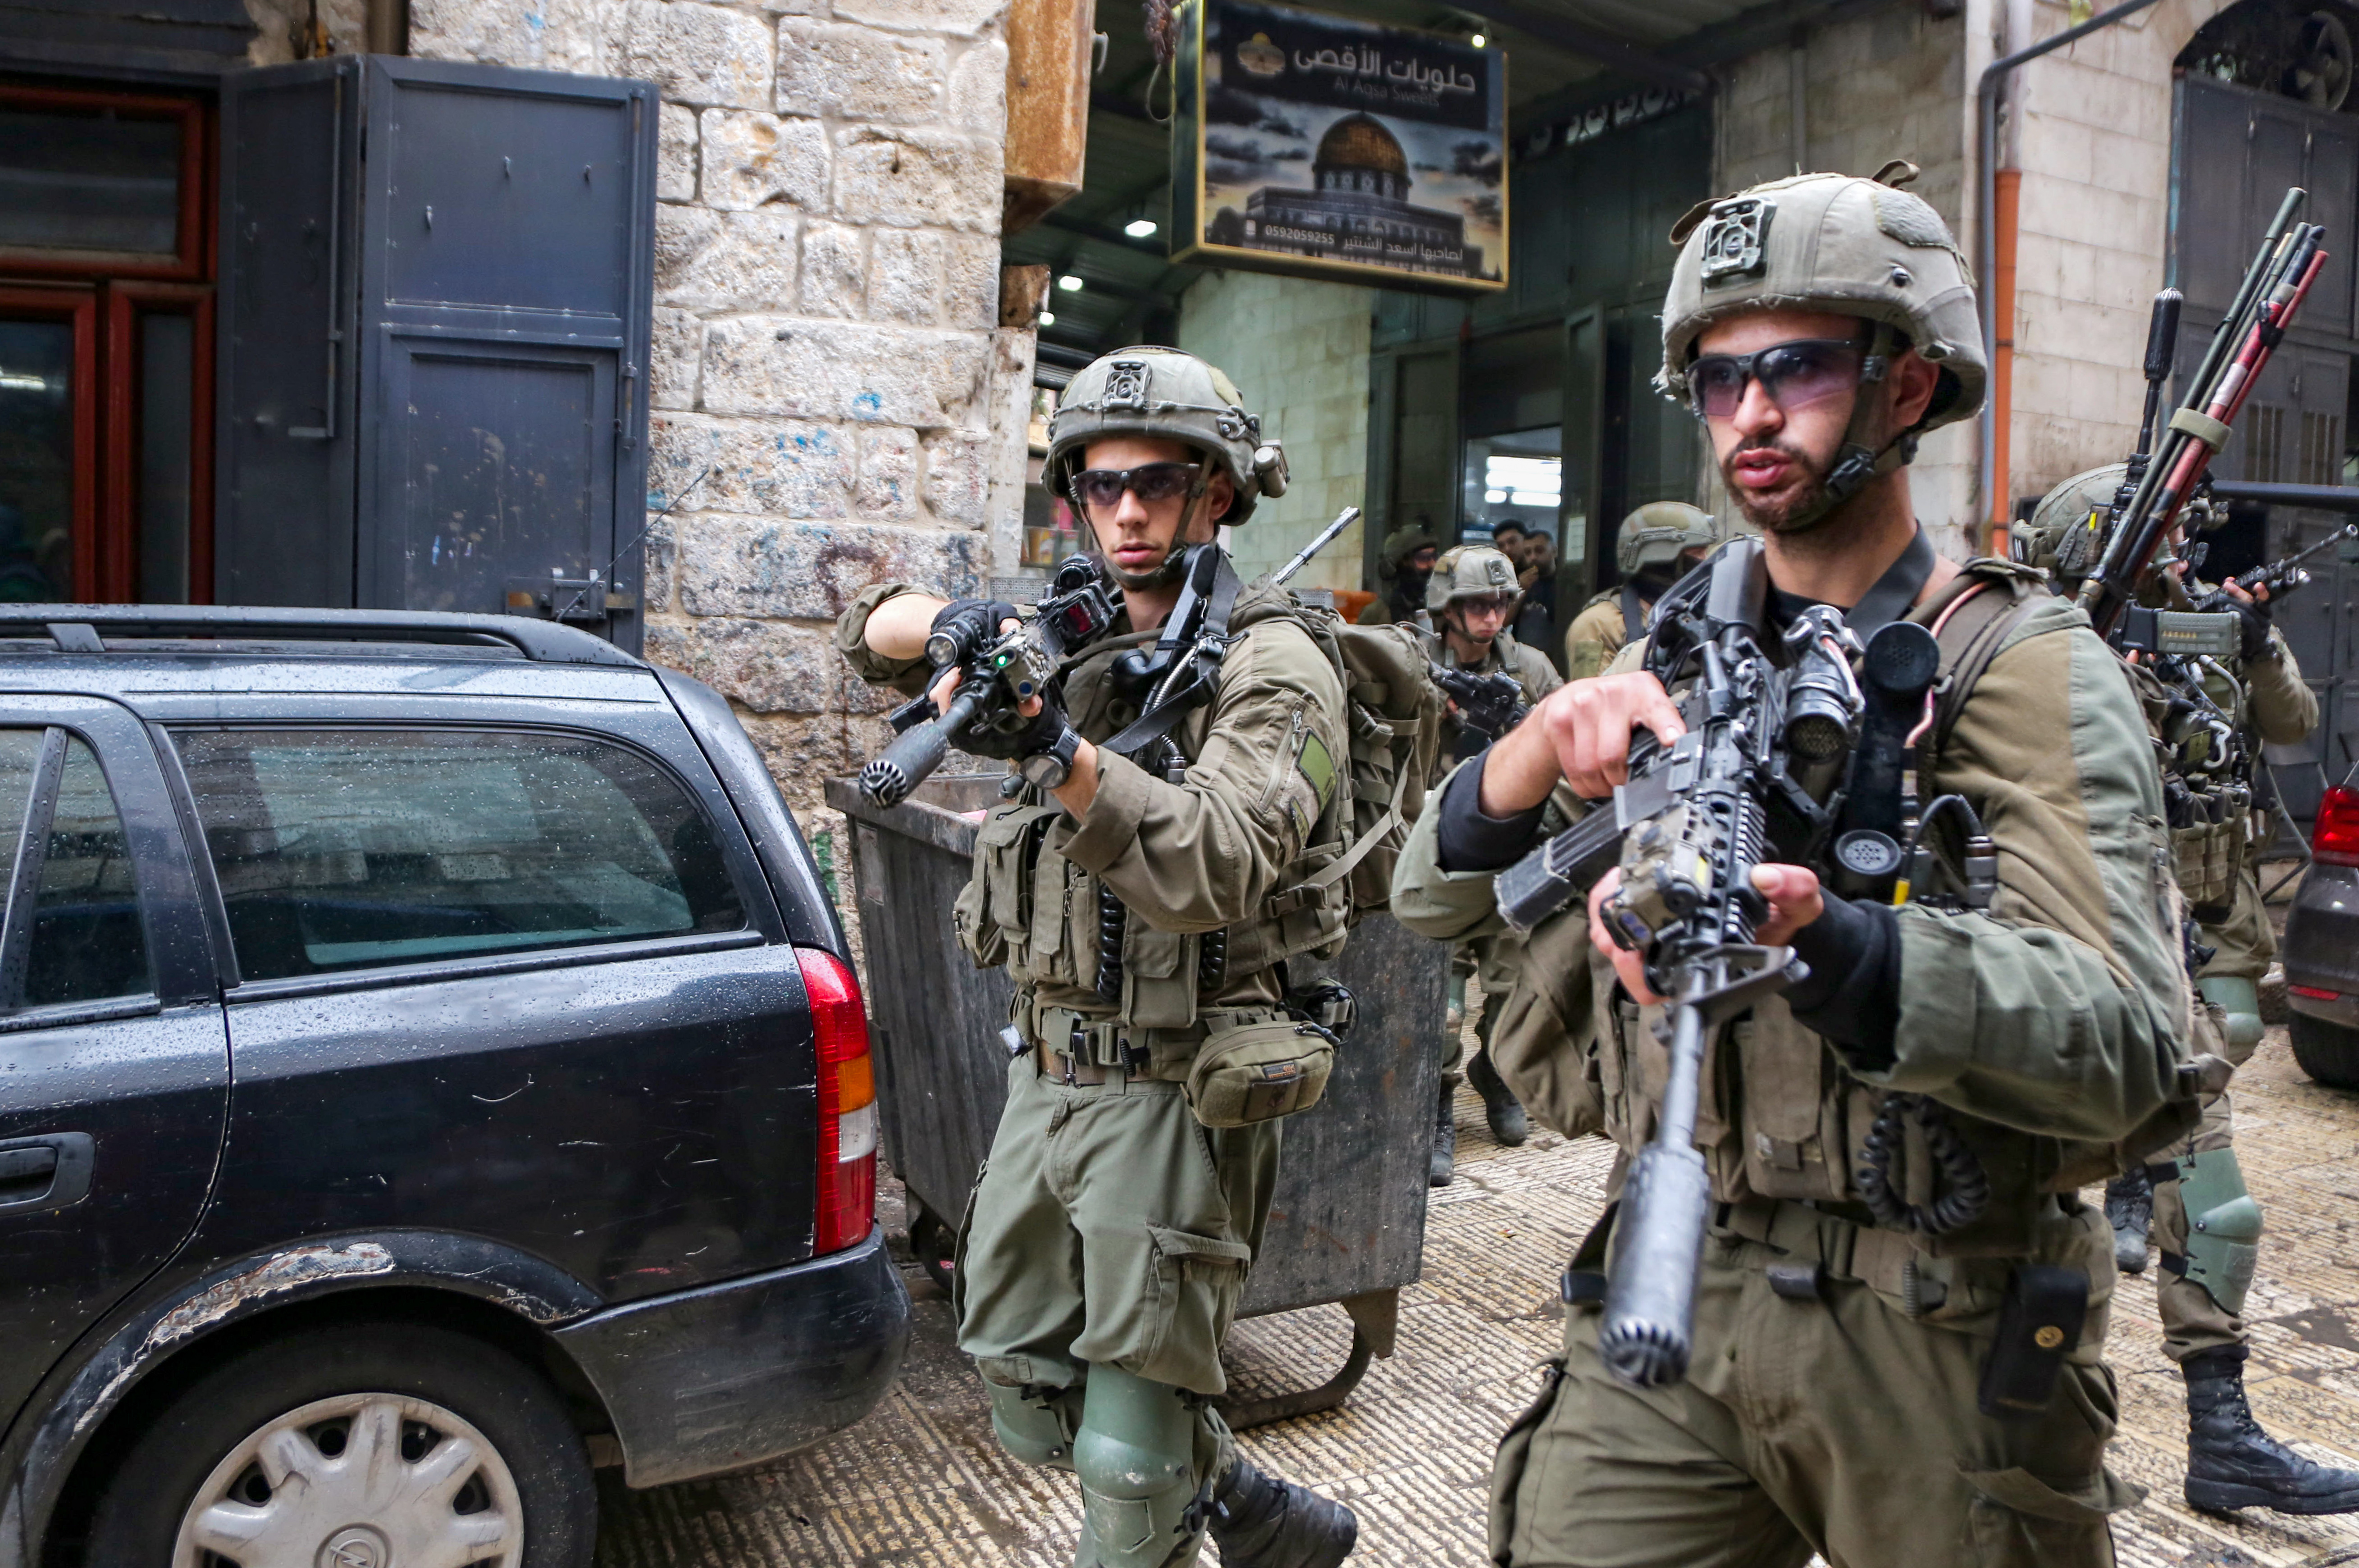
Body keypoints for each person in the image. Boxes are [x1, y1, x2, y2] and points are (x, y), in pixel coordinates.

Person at [1391, 167, 2199, 1566]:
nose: (1751, 416)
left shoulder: (2015, 667)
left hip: (1937, 1320)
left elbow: (2126, 1043)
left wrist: (1836, 945)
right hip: (1673, 1277)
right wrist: (1524, 759)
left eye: (1798, 369)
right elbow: (1418, 898)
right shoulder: (1667, 657)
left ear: (1906, 385)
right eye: (1717, 381)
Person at [835, 346, 1358, 1568]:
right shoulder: (1060, 626)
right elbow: (871, 634)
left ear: (1217, 494)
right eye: (1101, 485)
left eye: (1160, 484)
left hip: (1179, 1086)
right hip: (1048, 1076)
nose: (1127, 512)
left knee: (1125, 1469)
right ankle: (1238, 1496)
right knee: (1023, 1388)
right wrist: (956, 626)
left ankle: (1178, 1499)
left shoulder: (1272, 663)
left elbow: (1220, 858)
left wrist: (1059, 747)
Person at [2019, 468, 2357, 1515]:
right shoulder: (2032, 656)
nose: (2177, 558)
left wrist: (2245, 640)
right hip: (2062, 969)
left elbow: (2289, 721)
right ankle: (2018, 1442)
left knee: (2219, 1212)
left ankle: (2221, 1441)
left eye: (2177, 538)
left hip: (2186, 953)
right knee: (2016, 1219)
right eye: (2156, 540)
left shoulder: (2206, 630)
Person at [1418, 544, 1562, 1184]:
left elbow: (1563, 737)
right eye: (1477, 604)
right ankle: (1436, 1101)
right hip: (1438, 852)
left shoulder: (1529, 666)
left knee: (1513, 988)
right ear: (1445, 610)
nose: (1491, 616)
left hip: (1511, 851)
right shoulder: (1416, 661)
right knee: (1439, 1001)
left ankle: (1497, 1076)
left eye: (1501, 603)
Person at [1562, 503, 1724, 680]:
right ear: (1662, 560)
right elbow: (1593, 701)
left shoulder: (1699, 612)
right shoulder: (1599, 625)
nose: (1705, 561)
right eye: (1698, 553)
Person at [1360, 521, 1439, 626]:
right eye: (1423, 558)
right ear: (1402, 562)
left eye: (1434, 557)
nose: (1432, 565)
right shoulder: (1377, 614)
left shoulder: (1442, 609)